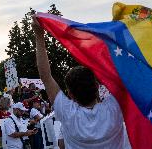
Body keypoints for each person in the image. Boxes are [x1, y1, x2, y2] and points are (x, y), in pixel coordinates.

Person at [32, 16, 131, 149]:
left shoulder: (67, 113)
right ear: (97, 87)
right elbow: (126, 72)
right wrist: (120, 31)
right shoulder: (113, 108)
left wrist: (39, 35)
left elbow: (45, 76)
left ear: (71, 94)